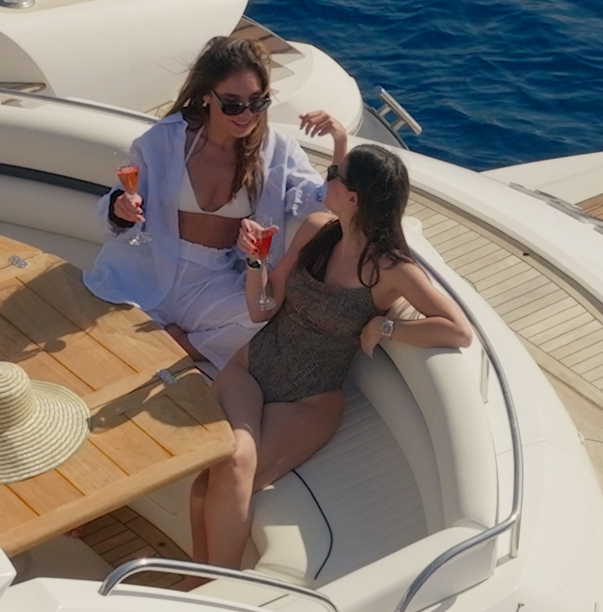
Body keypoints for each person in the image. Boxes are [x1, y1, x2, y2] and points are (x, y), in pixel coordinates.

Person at [191, 144, 473, 570]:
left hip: (309, 400)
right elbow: (261, 309)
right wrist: (255, 262)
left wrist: (387, 327)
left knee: (223, 474)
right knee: (223, 469)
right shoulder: (316, 230)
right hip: (250, 369)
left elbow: (458, 330)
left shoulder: (392, 269)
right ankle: (201, 580)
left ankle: (212, 583)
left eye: (332, 174)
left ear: (354, 197)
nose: (325, 180)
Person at [89, 36, 344, 370]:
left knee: (264, 319)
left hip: (212, 281)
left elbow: (326, 203)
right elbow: (116, 208)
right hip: (148, 265)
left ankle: (186, 345)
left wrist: (339, 141)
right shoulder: (164, 141)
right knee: (94, 336)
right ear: (207, 97)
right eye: (233, 103)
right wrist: (120, 210)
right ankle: (168, 340)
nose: (246, 114)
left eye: (257, 102)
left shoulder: (278, 152)